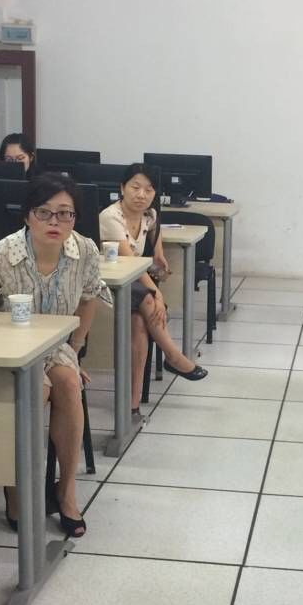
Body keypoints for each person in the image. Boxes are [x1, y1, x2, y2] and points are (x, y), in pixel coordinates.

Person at [0, 173, 110, 537]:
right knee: (37, 389)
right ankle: (16, 487)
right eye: (44, 212)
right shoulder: (0, 255)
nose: (55, 222)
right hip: (8, 349)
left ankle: (66, 491)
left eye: (65, 213)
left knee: (68, 383)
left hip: (57, 346)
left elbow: (89, 298)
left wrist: (75, 351)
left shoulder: (85, 251)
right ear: (27, 216)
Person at [98, 163, 208, 418]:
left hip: (132, 285)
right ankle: (174, 357)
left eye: (149, 190)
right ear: (122, 188)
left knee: (139, 323)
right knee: (149, 301)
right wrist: (156, 293)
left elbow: (155, 250)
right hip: (107, 285)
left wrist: (159, 258)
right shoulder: (110, 217)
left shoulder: (151, 216)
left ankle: (132, 405)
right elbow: (130, 262)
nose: (141, 195)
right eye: (135, 187)